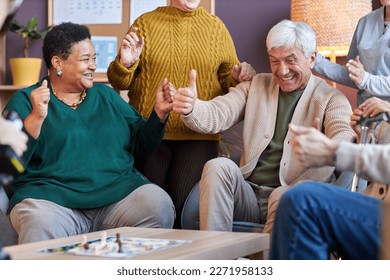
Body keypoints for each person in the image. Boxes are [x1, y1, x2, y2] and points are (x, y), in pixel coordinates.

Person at [172, 19, 355, 234]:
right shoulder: (256, 86)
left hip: (292, 194)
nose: (282, 70)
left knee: (282, 195)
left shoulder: (331, 98)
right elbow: (218, 113)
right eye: (274, 61)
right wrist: (191, 107)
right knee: (218, 166)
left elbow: (343, 133)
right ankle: (216, 258)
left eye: (290, 60)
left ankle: (272, 263)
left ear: (312, 58)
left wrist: (325, 148)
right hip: (248, 194)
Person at [3, 22, 175, 244]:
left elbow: (141, 146)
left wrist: (158, 115)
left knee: (157, 204)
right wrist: (35, 119)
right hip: (51, 202)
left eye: (94, 58)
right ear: (58, 62)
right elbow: (8, 166)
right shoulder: (27, 100)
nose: (94, 65)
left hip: (115, 199)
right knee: (39, 222)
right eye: (85, 59)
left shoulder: (106, 97)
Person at [106, 0, 256, 228]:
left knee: (183, 211)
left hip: (198, 136)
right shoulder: (144, 24)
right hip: (151, 134)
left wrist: (240, 76)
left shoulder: (215, 27)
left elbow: (229, 82)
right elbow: (120, 82)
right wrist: (125, 63)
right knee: (151, 213)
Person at [269, 98, 390, 259]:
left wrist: (333, 151)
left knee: (304, 202)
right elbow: (373, 171)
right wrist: (363, 135)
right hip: (377, 209)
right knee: (302, 196)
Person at [313, 0, 390, 105]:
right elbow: (354, 76)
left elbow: (362, 78)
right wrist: (316, 60)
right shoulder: (365, 22)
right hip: (365, 115)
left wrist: (365, 79)